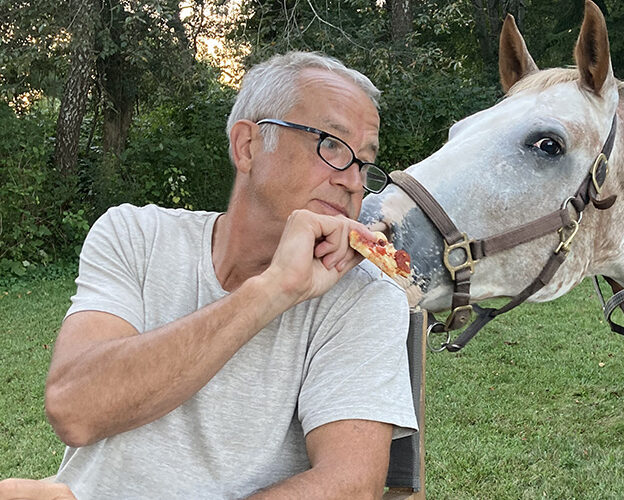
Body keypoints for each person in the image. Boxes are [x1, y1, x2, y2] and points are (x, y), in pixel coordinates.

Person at [1, 51, 417, 500]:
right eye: (331, 144)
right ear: (247, 146)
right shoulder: (137, 235)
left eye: (363, 162)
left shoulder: (362, 298)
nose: (353, 181)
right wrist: (271, 291)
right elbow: (75, 410)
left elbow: (349, 485)